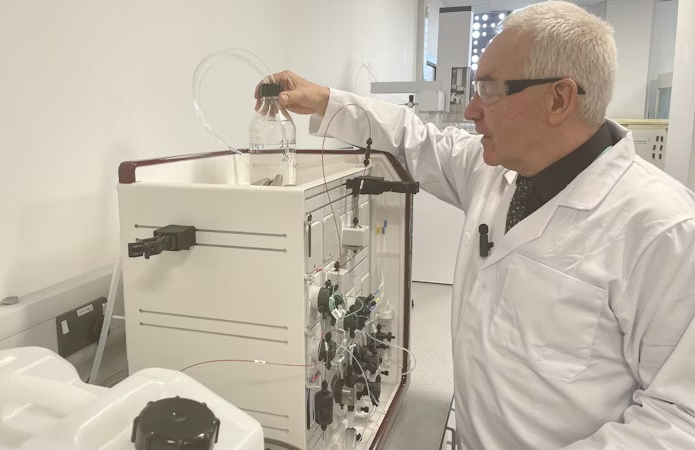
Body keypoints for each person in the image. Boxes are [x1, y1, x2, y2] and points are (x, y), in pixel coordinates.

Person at [257, 1, 695, 448]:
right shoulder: (494, 172)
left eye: (489, 91)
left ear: (559, 98)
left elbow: (681, 419)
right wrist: (326, 100)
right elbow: (416, 138)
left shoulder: (664, 230)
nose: (470, 112)